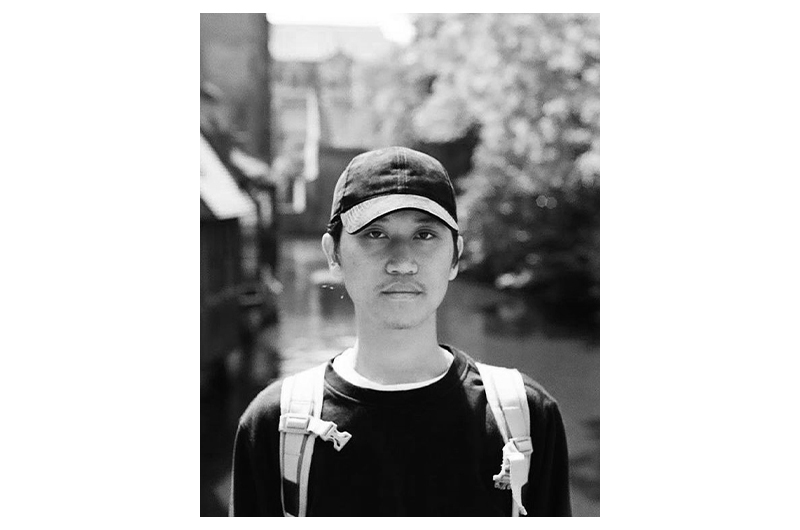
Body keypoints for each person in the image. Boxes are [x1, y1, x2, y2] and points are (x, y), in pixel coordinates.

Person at [229, 147, 572, 516]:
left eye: (424, 235)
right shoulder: (274, 426)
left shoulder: (525, 419)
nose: (403, 262)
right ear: (333, 255)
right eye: (375, 234)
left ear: (456, 255)